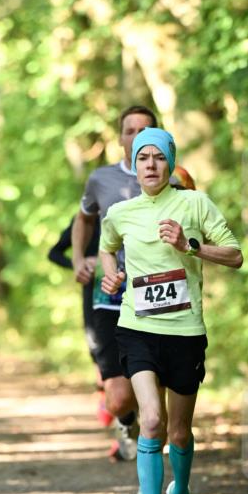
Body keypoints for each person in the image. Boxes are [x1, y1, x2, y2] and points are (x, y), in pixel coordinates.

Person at [99, 128, 243, 494]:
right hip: (137, 329)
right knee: (151, 420)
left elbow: (235, 255)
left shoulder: (195, 204)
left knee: (179, 432)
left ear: (170, 163)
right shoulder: (121, 212)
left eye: (158, 157)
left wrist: (189, 246)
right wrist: (112, 275)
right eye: (142, 158)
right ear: (134, 165)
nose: (150, 164)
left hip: (185, 332)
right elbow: (107, 246)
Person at [72, 105, 160, 464]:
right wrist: (79, 259)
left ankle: (149, 453)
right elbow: (83, 219)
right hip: (110, 293)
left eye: (145, 131)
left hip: (156, 293)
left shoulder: (175, 178)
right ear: (120, 137)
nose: (137, 137)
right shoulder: (101, 179)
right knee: (120, 399)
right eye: (129, 131)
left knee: (157, 390)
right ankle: (127, 420)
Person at [48, 217, 113, 426]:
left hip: (125, 293)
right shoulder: (84, 220)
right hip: (93, 294)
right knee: (96, 347)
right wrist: (79, 265)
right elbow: (54, 253)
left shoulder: (127, 210)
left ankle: (127, 412)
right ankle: (106, 397)